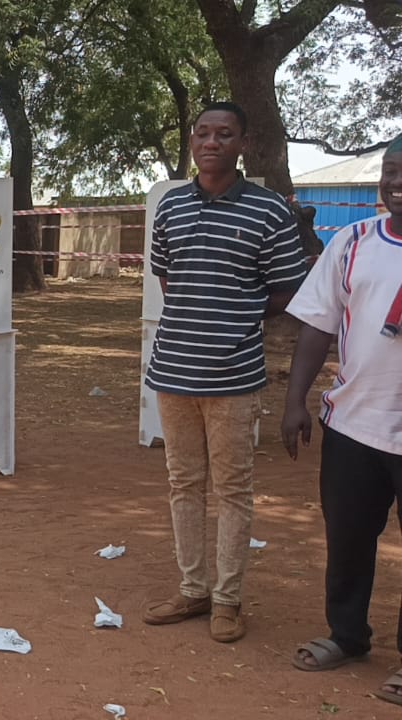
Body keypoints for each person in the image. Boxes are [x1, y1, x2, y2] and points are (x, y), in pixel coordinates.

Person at [141, 101, 308, 642]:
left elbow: (286, 289)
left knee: (233, 489)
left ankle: (227, 600)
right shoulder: (170, 209)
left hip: (235, 377)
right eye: (202, 133)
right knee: (183, 484)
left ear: (242, 144)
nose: (211, 142)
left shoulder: (267, 212)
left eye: (224, 134)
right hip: (173, 372)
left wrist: (236, 314)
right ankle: (192, 590)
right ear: (192, 141)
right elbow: (170, 280)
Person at [283, 135, 402, 706]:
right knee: (349, 539)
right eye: (391, 172)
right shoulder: (352, 242)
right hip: (354, 425)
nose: (397, 184)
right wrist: (294, 400)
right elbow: (316, 325)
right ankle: (348, 636)